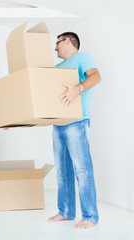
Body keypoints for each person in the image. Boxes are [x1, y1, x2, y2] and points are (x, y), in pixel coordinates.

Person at [48, 32, 101, 229]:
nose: (55, 48)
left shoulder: (83, 57)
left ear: (68, 41)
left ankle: (90, 216)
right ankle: (66, 212)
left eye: (58, 43)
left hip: (77, 121)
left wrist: (77, 89)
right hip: (59, 123)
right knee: (62, 171)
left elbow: (96, 76)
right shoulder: (57, 68)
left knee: (82, 169)